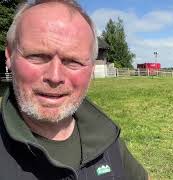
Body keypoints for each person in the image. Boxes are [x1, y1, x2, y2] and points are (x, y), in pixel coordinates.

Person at [0, 0, 148, 179]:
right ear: (9, 56)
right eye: (37, 56)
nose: (55, 77)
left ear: (91, 68)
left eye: (73, 62)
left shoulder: (107, 138)